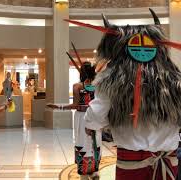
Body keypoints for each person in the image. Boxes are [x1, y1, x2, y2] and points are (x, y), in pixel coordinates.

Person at [72, 9, 181, 180]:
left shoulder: (111, 78)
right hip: (169, 165)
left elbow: (93, 119)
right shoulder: (175, 78)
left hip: (131, 168)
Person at [47, 60, 101, 180]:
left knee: (84, 142)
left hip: (82, 117)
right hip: (94, 117)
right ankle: (93, 171)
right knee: (94, 142)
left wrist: (58, 106)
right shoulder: (97, 85)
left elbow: (75, 105)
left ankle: (84, 173)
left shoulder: (77, 86)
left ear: (81, 72)